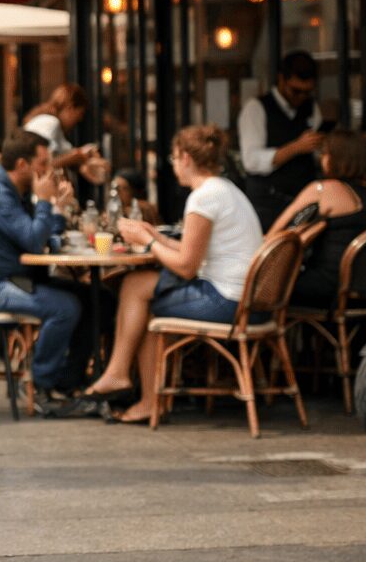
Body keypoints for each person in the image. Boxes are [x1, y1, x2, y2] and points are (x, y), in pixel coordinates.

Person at [83, 125, 263, 424]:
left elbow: (186, 266)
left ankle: (136, 390)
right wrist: (152, 233)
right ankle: (124, 378)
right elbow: (192, 252)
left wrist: (148, 242)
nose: (173, 165)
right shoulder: (225, 190)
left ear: (187, 159)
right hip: (248, 301)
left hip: (229, 303)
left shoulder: (203, 198)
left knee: (143, 302)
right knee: (136, 285)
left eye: (174, 157)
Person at [0, 131, 85, 414]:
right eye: (42, 163)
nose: (49, 171)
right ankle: (41, 385)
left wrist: (55, 208)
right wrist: (46, 202)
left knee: (97, 299)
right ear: (22, 164)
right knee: (66, 307)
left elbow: (44, 238)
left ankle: (72, 382)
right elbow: (33, 240)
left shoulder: (15, 191)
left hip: (21, 278)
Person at [268, 130, 366, 308]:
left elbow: (275, 237)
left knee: (272, 284)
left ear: (335, 158)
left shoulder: (322, 190)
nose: (321, 159)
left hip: (330, 290)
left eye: (324, 153)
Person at [238, 50, 324, 226]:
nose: (301, 97)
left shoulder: (311, 108)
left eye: (307, 92)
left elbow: (315, 154)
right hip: (268, 205)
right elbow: (252, 161)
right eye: (296, 91)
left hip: (304, 202)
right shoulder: (256, 108)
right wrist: (296, 147)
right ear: (281, 79)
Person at [22, 84, 109, 184]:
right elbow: (41, 164)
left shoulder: (49, 123)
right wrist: (75, 156)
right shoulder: (50, 122)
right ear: (70, 107)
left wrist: (80, 159)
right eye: (80, 113)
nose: (79, 119)